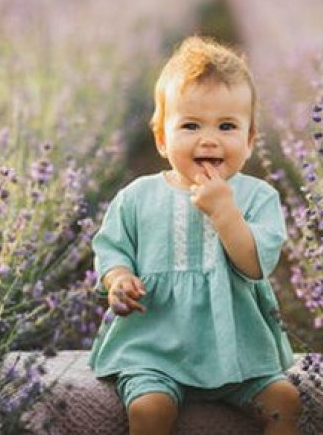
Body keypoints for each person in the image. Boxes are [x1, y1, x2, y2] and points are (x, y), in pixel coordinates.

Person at [88, 36, 302, 435]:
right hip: (154, 349)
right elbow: (112, 249)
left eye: (226, 126)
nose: (209, 139)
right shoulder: (137, 197)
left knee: (284, 401)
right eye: (190, 125)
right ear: (162, 139)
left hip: (237, 352)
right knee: (150, 410)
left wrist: (225, 212)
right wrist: (118, 281)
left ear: (250, 139)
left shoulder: (258, 198)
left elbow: (254, 265)